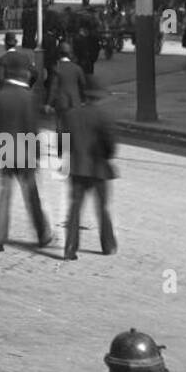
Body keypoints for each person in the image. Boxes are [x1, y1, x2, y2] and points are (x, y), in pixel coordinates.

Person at [0, 64, 53, 253]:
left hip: (4, 150)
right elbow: (32, 129)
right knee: (32, 196)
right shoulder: (28, 98)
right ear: (23, 77)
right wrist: (37, 155)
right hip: (25, 153)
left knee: (3, 194)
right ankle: (42, 234)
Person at [62, 99, 118, 259]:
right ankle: (108, 245)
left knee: (75, 207)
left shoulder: (71, 115)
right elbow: (110, 144)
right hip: (98, 167)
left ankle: (70, 247)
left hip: (77, 167)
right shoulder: (103, 115)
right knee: (102, 207)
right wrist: (106, 156)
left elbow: (62, 141)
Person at [48, 41, 87, 159]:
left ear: (59, 54)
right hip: (75, 102)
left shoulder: (57, 68)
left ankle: (62, 151)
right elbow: (83, 85)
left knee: (60, 126)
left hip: (61, 102)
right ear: (70, 54)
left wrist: (49, 103)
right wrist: (83, 100)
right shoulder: (77, 68)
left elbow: (53, 87)